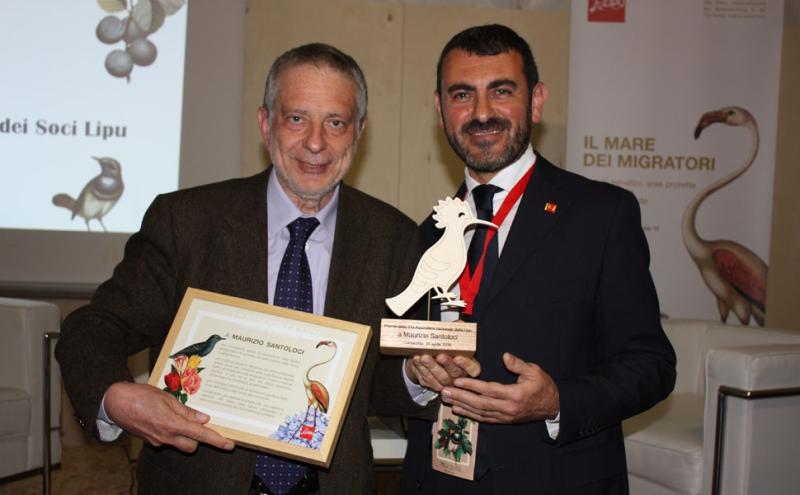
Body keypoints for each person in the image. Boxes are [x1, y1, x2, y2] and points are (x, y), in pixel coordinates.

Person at [56, 43, 425, 495]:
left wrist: (417, 375)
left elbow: (375, 385)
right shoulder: (187, 222)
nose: (315, 142)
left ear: (359, 132)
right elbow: (92, 328)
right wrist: (114, 397)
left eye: (335, 122)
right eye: (296, 118)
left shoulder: (394, 238)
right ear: (266, 123)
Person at [400, 24, 676, 494]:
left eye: (501, 91)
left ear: (536, 100)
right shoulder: (422, 235)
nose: (481, 113)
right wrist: (415, 376)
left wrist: (557, 401)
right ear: (440, 109)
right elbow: (404, 359)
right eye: (462, 94)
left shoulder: (601, 215)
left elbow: (651, 365)